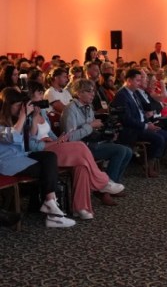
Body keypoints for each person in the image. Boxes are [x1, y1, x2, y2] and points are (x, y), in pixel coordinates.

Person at [27, 81, 123, 220]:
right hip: (42, 153)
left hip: (54, 146)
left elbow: (49, 133)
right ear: (30, 96)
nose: (42, 97)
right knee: (80, 146)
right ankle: (103, 182)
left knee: (81, 166)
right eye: (39, 94)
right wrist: (54, 142)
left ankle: (80, 208)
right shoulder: (26, 115)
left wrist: (59, 139)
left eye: (42, 93)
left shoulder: (41, 111)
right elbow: (31, 145)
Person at [0, 87, 76, 228]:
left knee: (50, 157)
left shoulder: (17, 119)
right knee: (46, 169)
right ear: (7, 106)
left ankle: (50, 203)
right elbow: (12, 137)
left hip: (22, 156)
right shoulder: (5, 121)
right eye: (17, 105)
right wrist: (23, 116)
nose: (20, 109)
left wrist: (34, 118)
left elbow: (30, 139)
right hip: (8, 162)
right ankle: (52, 211)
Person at [60, 79, 132, 186]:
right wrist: (90, 126)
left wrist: (107, 135)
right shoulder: (70, 109)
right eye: (89, 91)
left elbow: (93, 132)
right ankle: (106, 186)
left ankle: (113, 183)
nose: (93, 94)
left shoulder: (89, 107)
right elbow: (70, 138)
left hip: (90, 143)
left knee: (128, 151)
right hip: (79, 148)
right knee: (120, 150)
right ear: (79, 93)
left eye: (93, 91)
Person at [110, 69, 167, 177]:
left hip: (141, 125)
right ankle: (148, 164)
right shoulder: (122, 95)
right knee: (159, 139)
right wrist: (146, 126)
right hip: (131, 129)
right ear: (129, 80)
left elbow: (142, 113)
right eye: (137, 80)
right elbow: (126, 119)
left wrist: (149, 124)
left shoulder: (134, 93)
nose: (140, 83)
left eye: (140, 80)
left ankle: (148, 160)